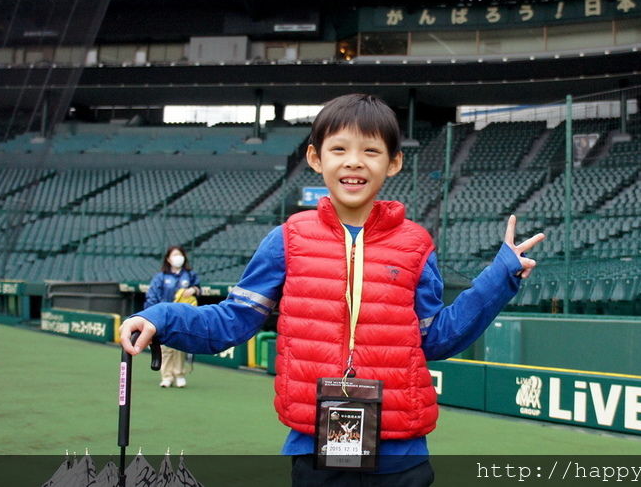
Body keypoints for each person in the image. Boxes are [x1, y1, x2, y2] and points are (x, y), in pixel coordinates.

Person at [120, 93, 544, 485]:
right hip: (316, 445)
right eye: (339, 149)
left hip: (402, 451)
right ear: (315, 158)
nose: (354, 162)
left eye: (371, 151)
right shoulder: (287, 238)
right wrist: (160, 316)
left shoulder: (416, 243)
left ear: (393, 163)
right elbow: (232, 320)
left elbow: (436, 336)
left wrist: (499, 277)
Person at [144, 245, 201, 388]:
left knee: (180, 346)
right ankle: (167, 376)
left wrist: (193, 289)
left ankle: (179, 374)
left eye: (180, 254)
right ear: (168, 259)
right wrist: (152, 314)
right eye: (174, 255)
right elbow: (152, 296)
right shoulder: (161, 277)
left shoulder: (189, 275)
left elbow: (199, 288)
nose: (178, 258)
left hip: (182, 316)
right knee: (165, 348)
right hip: (165, 316)